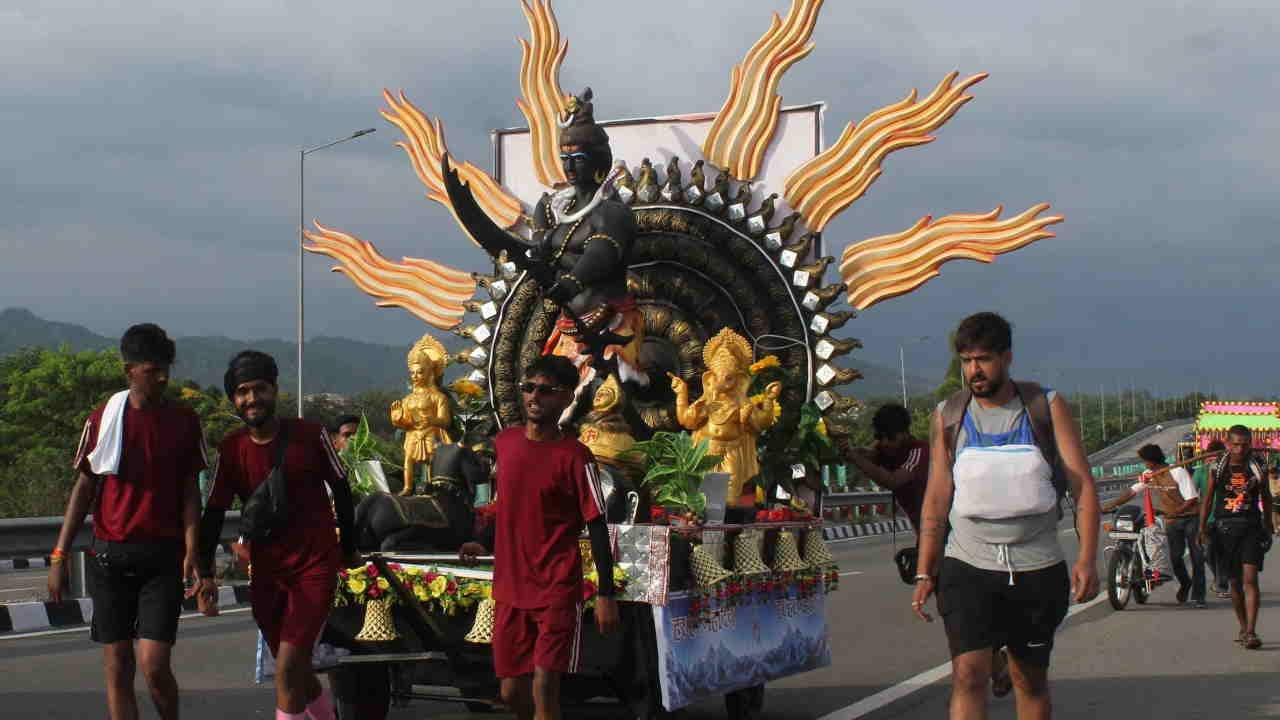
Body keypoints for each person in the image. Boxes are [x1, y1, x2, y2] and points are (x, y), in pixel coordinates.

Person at [912, 312, 1100, 720]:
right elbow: (937, 496)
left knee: (1028, 680)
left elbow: (1082, 485)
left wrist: (1087, 559)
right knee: (967, 674)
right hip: (967, 564)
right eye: (966, 361)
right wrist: (925, 569)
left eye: (983, 359)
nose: (974, 370)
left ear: (1006, 357)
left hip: (1037, 568)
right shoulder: (948, 415)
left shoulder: (1044, 407)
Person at [47, 324, 207, 720]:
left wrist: (193, 550)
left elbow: (191, 493)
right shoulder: (102, 419)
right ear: (129, 371)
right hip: (110, 558)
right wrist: (58, 555)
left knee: (154, 666)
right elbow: (83, 490)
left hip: (162, 560)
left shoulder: (184, 421)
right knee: (118, 667)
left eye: (166, 367)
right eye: (153, 369)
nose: (164, 377)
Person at [194, 351, 359, 720]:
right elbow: (214, 512)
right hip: (267, 575)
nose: (252, 399)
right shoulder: (232, 449)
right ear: (233, 399)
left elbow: (343, 491)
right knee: (297, 670)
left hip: (314, 568)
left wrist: (348, 548)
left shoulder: (310, 434)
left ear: (275, 390)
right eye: (242, 392)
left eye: (259, 389)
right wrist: (205, 574)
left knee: (285, 669)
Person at [457, 355, 620, 720]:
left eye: (546, 391)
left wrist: (606, 593)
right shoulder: (506, 443)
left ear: (565, 398)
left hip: (556, 588)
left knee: (545, 683)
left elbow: (596, 522)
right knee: (511, 692)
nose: (534, 397)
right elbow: (504, 504)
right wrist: (481, 541)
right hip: (511, 588)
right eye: (529, 388)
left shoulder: (576, 457)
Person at [841, 403, 1014, 699]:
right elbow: (869, 454)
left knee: (961, 603)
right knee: (955, 607)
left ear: (904, 434)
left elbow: (892, 480)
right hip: (931, 539)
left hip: (955, 534)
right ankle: (994, 663)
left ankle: (986, 666)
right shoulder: (887, 450)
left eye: (888, 438)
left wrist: (855, 459)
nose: (883, 444)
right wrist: (846, 447)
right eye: (880, 439)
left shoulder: (921, 452)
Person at [1198, 425, 1273, 649]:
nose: (1240, 448)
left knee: (1251, 580)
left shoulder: (1258, 467)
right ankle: (1242, 626)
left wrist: (1268, 527)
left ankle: (1251, 631)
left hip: (1251, 528)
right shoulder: (1218, 467)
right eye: (1236, 444)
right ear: (1228, 444)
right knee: (1234, 583)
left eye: (1245, 444)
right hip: (1224, 530)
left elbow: (1266, 498)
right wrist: (1202, 528)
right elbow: (1208, 499)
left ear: (1250, 444)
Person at [1101, 444, 1204, 606]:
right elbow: (1132, 492)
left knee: (1196, 557)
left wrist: (1175, 512)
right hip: (1171, 521)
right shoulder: (1148, 475)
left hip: (1190, 518)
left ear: (1152, 460)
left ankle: (1199, 597)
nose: (1144, 465)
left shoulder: (1178, 472)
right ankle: (1185, 583)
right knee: (1175, 557)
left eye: (1145, 461)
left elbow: (1192, 499)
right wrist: (1111, 505)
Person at [1193, 441, 1229, 597]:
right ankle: (1219, 579)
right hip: (1207, 519)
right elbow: (1193, 494)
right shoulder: (1200, 472)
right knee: (1208, 553)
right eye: (1212, 457)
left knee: (1224, 552)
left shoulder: (1229, 470)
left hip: (1227, 518)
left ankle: (1222, 583)